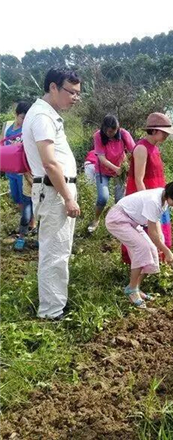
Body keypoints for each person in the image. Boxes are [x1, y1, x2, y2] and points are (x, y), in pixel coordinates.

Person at [22, 68, 82, 320]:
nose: (75, 98)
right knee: (55, 253)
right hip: (54, 191)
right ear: (53, 87)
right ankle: (51, 311)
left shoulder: (47, 114)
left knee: (58, 251)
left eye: (78, 94)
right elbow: (49, 162)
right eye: (71, 92)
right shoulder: (42, 117)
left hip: (54, 189)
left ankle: (55, 305)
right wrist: (68, 197)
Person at [106, 179, 173, 308]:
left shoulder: (163, 199)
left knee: (153, 250)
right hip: (118, 220)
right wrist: (166, 251)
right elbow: (152, 234)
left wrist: (161, 240)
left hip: (132, 222)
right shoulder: (154, 201)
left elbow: (155, 221)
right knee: (142, 248)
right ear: (172, 192)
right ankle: (131, 289)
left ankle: (136, 287)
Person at [122, 112, 173, 265]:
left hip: (158, 196)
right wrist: (147, 204)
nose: (166, 135)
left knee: (160, 230)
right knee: (146, 233)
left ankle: (158, 261)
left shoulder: (155, 148)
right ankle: (144, 265)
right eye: (164, 132)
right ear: (153, 130)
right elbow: (139, 179)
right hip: (147, 198)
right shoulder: (141, 148)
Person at [87, 115, 136, 233]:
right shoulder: (98, 136)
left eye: (114, 131)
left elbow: (134, 151)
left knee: (120, 199)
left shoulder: (123, 134)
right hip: (103, 170)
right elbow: (101, 158)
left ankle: (116, 222)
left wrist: (128, 165)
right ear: (104, 128)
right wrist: (115, 168)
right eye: (109, 131)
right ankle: (96, 219)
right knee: (103, 197)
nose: (112, 134)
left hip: (120, 170)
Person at [3, 102, 36, 251]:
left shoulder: (27, 129)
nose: (24, 120)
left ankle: (29, 224)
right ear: (16, 115)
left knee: (26, 199)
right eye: (22, 117)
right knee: (17, 198)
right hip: (11, 170)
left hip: (23, 172)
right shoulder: (7, 127)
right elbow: (2, 145)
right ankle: (28, 221)